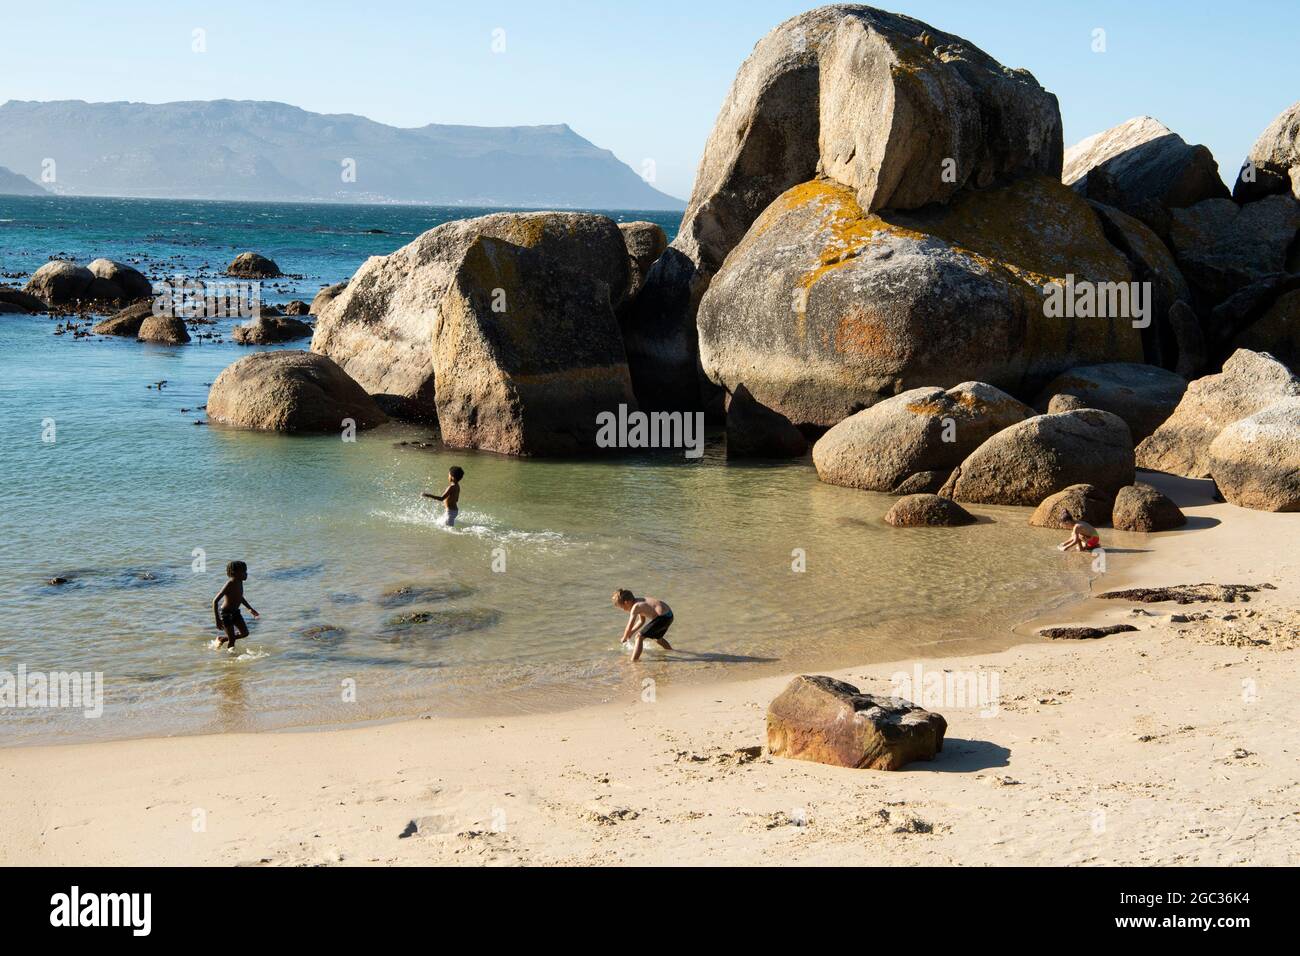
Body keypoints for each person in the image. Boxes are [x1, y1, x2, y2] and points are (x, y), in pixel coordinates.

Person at [612, 588, 674, 661]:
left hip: (663, 617)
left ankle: (634, 660)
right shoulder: (639, 602)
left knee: (639, 636)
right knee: (657, 638)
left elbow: (629, 625)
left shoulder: (636, 607)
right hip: (669, 615)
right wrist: (631, 632)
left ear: (626, 602)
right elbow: (641, 621)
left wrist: (624, 637)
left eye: (622, 607)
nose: (624, 610)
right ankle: (672, 651)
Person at [213, 560, 259, 649]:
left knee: (245, 633)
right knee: (232, 640)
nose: (246, 574)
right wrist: (217, 619)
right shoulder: (230, 584)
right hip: (226, 614)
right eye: (244, 572)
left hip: (235, 612)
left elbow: (240, 597)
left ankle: (222, 639)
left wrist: (250, 609)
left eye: (246, 571)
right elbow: (215, 601)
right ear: (235, 573)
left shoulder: (240, 582)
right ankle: (231, 659)